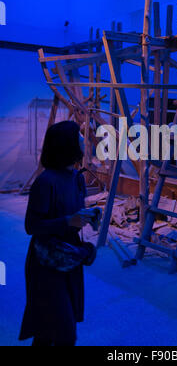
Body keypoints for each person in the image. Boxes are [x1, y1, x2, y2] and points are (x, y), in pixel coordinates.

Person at [19, 121, 96, 347]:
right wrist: (67, 221)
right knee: (62, 332)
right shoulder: (45, 182)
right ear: (67, 144)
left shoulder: (77, 178)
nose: (84, 139)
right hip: (46, 263)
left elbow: (72, 214)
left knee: (49, 330)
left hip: (69, 258)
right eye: (79, 135)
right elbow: (31, 226)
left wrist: (88, 216)